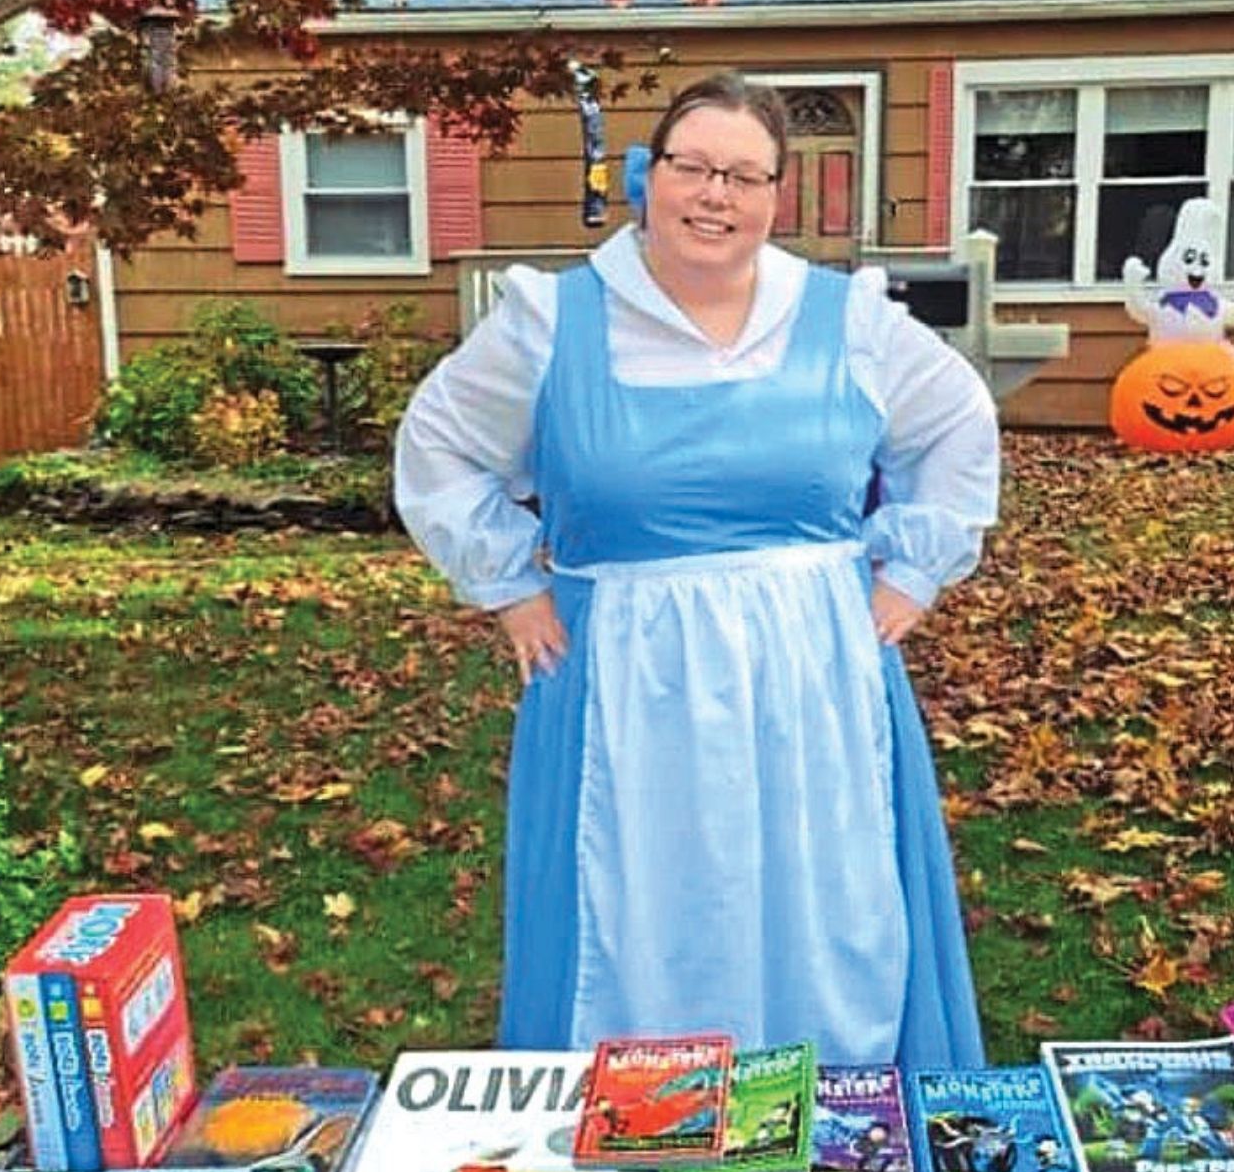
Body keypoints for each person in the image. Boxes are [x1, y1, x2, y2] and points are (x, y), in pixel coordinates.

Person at [395, 71, 997, 1066]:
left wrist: (912, 575)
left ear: (774, 196)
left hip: (815, 675)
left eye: (745, 176)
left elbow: (959, 423)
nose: (716, 195)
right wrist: (510, 588)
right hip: (625, 676)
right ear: (651, 176)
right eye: (695, 168)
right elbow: (439, 446)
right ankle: (648, 1114)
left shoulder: (847, 319)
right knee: (641, 902)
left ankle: (832, 1108)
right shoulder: (553, 321)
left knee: (824, 897)